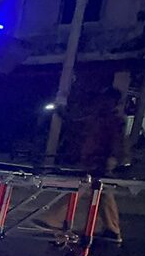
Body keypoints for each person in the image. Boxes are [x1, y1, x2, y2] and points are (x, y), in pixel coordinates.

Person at [34, 88, 126, 242]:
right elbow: (77, 124)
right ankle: (112, 229)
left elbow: (116, 142)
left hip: (100, 160)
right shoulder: (100, 118)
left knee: (81, 188)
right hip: (95, 159)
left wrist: (111, 159)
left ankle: (54, 218)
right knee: (103, 193)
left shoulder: (113, 120)